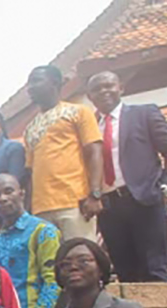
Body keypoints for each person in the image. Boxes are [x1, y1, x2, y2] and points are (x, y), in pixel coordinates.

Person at [87, 71, 167, 282]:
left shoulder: (144, 113)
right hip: (108, 206)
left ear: (121, 88)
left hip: (144, 198)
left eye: (109, 85)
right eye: (97, 89)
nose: (104, 91)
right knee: (125, 271)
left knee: (154, 268)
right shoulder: (89, 128)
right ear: (89, 97)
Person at [23, 65, 104, 240]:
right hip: (40, 210)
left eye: (36, 81)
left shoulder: (79, 112)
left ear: (55, 83)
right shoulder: (29, 128)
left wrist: (95, 194)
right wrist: (29, 210)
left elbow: (95, 151)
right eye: (28, 83)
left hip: (74, 203)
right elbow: (30, 172)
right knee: (50, 264)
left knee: (80, 257)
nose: (29, 87)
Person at [0, 174, 60, 308]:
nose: (2, 198)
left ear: (21, 194)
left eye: (8, 191)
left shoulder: (43, 231)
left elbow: (53, 280)